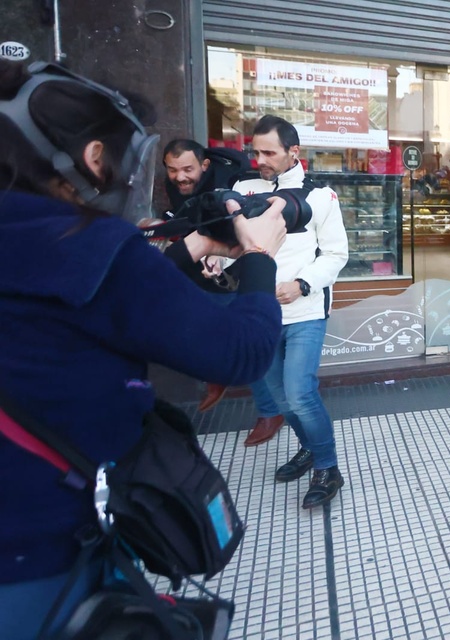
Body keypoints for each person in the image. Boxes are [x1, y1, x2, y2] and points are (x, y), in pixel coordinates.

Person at [0, 60, 286, 639]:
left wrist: (197, 242)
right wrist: (260, 258)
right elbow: (242, 352)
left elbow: (109, 297)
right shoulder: (85, 244)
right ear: (93, 158)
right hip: (41, 550)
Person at [234, 115, 349, 508]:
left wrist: (301, 285)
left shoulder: (320, 195)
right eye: (256, 151)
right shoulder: (243, 187)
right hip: (260, 312)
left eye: (269, 152)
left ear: (292, 152)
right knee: (280, 401)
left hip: (305, 310)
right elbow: (236, 246)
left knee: (300, 394)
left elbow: (337, 254)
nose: (259, 159)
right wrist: (217, 261)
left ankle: (328, 467)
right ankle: (309, 449)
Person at [162, 139, 286, 445]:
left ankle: (270, 412)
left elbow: (249, 229)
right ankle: (217, 375)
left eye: (187, 169)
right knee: (200, 332)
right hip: (197, 269)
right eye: (172, 170)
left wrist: (219, 255)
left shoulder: (231, 183)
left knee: (249, 344)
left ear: (204, 166)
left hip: (238, 269)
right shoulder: (177, 184)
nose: (180, 177)